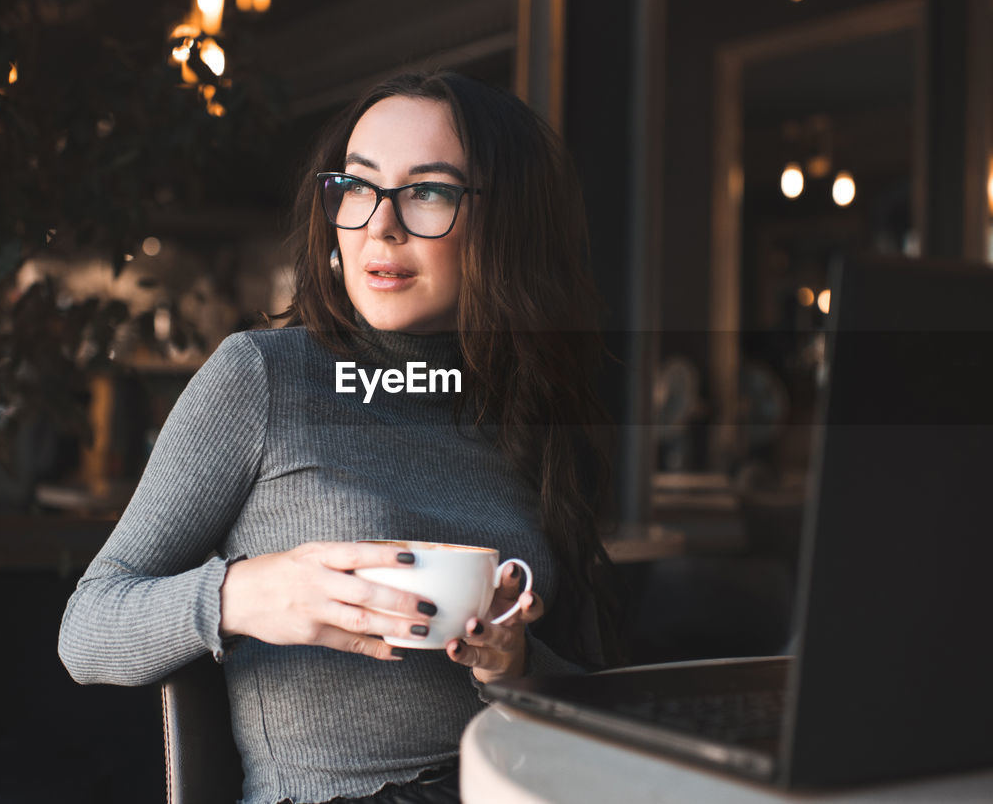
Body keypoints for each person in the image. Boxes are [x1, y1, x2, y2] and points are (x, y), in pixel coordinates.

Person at [58, 70, 619, 804]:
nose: (380, 225)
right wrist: (244, 594)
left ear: (500, 225)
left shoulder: (525, 409)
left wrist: (509, 663)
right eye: (358, 188)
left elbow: (597, 709)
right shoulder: (263, 377)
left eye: (428, 191)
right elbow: (87, 628)